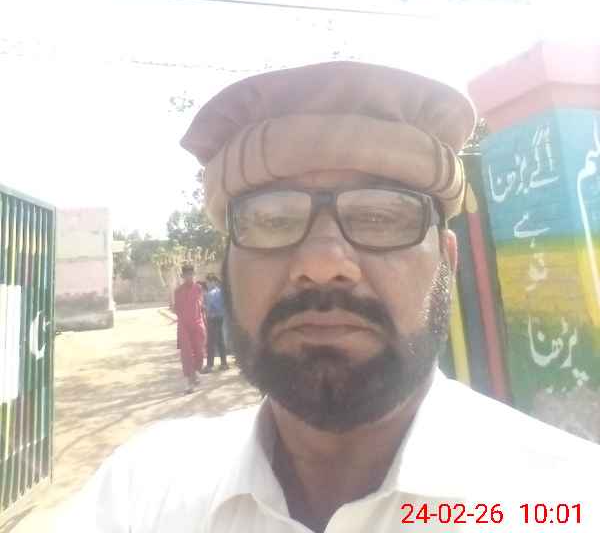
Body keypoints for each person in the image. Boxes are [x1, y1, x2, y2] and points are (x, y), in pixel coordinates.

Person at [59, 61, 600, 533]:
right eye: (273, 220)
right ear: (226, 269)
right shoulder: (140, 492)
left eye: (380, 216)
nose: (322, 264)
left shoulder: (569, 500)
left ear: (447, 261)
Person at [173, 264, 206, 394]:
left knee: (200, 352)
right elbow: (176, 309)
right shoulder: (178, 291)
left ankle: (196, 372)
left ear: (194, 275)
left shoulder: (198, 288)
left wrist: (202, 322)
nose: (189, 277)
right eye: (187, 275)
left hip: (197, 324)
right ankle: (189, 382)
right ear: (183, 276)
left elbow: (201, 306)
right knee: (186, 354)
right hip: (184, 326)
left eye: (191, 275)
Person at [202, 273, 229, 372]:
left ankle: (209, 365)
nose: (208, 284)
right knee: (220, 341)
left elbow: (209, 307)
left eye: (208, 282)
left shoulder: (209, 294)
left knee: (211, 342)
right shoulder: (221, 292)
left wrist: (204, 306)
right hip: (220, 318)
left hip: (212, 319)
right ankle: (224, 363)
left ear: (213, 282)